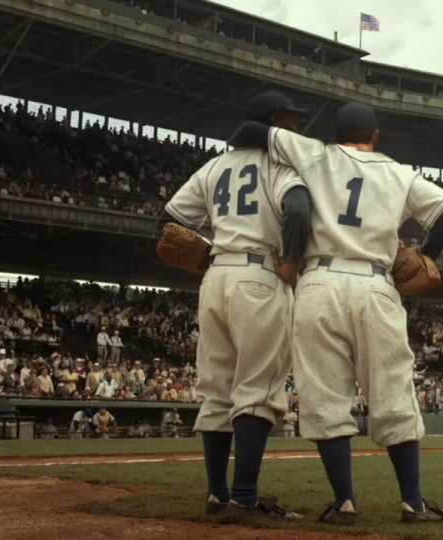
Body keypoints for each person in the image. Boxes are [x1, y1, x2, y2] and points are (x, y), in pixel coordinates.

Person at [239, 101, 443, 524]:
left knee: (324, 396)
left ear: (337, 134)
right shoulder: (397, 171)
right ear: (375, 137)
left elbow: (250, 128)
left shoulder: (315, 153)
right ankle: (412, 502)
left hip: (319, 282)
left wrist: (282, 136)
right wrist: (426, 255)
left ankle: (344, 502)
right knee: (393, 392)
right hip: (376, 283)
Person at [159, 90, 310, 520]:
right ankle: (244, 499)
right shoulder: (278, 164)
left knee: (218, 391)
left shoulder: (213, 166)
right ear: (275, 120)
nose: (296, 128)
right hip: (259, 277)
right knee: (257, 391)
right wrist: (293, 263)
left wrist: (207, 253)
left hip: (215, 277)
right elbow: (298, 211)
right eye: (291, 120)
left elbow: (168, 221)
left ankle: (216, 495)